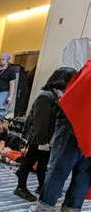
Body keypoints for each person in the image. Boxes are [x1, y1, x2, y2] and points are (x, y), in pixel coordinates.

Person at [30, 59, 90, 212]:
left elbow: (73, 100)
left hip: (74, 126)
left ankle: (45, 207)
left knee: (58, 168)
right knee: (84, 174)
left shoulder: (89, 70)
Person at [14, 67, 76, 202]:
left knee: (43, 164)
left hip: (48, 139)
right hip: (39, 138)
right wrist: (42, 142)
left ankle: (42, 187)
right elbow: (40, 122)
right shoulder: (46, 96)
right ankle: (20, 187)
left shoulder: (56, 95)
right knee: (28, 162)